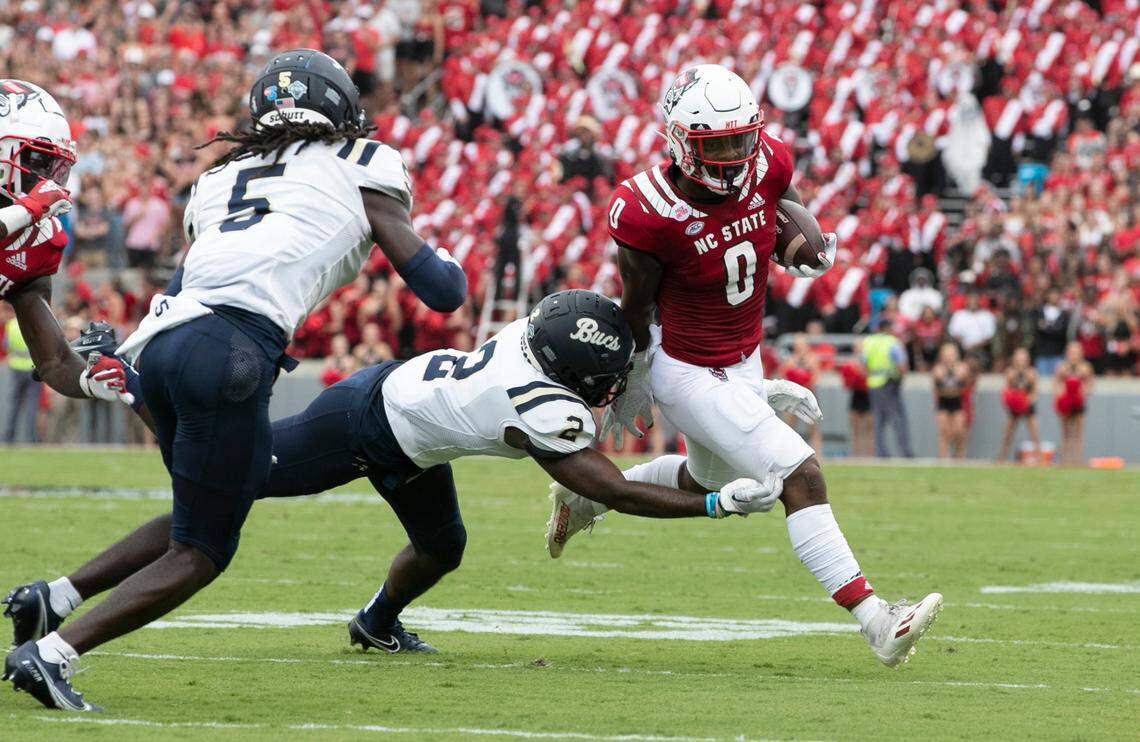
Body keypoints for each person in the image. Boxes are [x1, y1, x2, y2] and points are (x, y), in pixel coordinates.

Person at [2, 50, 470, 712]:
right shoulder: (364, 163)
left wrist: (137, 379)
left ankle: (55, 598)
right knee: (202, 549)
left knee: (218, 498)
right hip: (232, 349)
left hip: (166, 346)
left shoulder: (221, 176)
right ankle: (51, 655)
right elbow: (441, 291)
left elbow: (180, 291)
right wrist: (451, 256)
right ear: (339, 111)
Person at [4, 291, 777, 666]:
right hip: (367, 423)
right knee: (212, 498)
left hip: (412, 430)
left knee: (442, 545)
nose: (607, 393)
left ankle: (374, 624)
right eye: (599, 380)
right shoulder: (542, 403)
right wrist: (708, 502)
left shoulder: (531, 344)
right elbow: (606, 489)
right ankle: (128, 391)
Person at [550, 65, 941, 670]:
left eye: (741, 140)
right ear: (680, 141)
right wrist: (629, 376)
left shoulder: (769, 162)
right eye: (718, 145)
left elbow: (780, 208)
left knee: (706, 481)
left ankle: (586, 499)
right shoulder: (648, 209)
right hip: (685, 367)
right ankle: (876, 621)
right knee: (799, 473)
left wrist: (796, 243)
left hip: (743, 356)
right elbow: (636, 306)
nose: (735, 156)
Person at [0, 80, 136, 425]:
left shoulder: (35, 237)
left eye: (55, 167)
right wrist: (27, 209)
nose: (48, 178)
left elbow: (55, 360)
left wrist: (87, 380)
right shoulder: (28, 213)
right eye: (38, 160)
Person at [863, 318, 915, 458]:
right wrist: (901, 379)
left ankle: (881, 451)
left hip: (873, 382)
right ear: (889, 328)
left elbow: (863, 363)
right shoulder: (893, 342)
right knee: (897, 418)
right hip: (890, 382)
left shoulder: (869, 342)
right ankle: (905, 451)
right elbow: (902, 365)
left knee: (878, 419)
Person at [780, 334, 823, 455]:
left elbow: (817, 377)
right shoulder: (791, 359)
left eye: (801, 343)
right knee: (789, 427)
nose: (798, 346)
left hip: (808, 396)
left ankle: (818, 455)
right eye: (797, 344)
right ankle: (788, 454)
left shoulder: (812, 358)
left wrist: (806, 381)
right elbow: (784, 375)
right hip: (793, 397)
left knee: (813, 429)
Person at [997, 347, 1040, 463]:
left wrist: (1027, 400)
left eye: (1023, 358)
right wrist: (1012, 400)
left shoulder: (1032, 373)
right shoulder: (1010, 372)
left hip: (1028, 406)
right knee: (1007, 433)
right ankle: (1001, 457)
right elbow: (1005, 389)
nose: (1021, 360)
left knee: (1035, 433)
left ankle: (1039, 459)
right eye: (1018, 358)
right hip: (1014, 407)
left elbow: (1035, 392)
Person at [1054, 341, 1093, 466]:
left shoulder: (1085, 367)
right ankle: (1064, 459)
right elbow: (1056, 384)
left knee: (1078, 433)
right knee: (1065, 432)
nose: (1074, 356)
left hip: (1078, 403)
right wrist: (1061, 394)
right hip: (1066, 402)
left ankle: (1077, 459)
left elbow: (1090, 384)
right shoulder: (1062, 367)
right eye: (1071, 353)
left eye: (1076, 353)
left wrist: (1083, 391)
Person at [930, 342, 971, 459]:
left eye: (952, 354)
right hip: (943, 402)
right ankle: (943, 458)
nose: (949, 357)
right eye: (946, 355)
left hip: (957, 402)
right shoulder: (938, 369)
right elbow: (938, 388)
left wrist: (957, 376)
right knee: (944, 433)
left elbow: (965, 385)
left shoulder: (962, 368)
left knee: (959, 432)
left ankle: (959, 457)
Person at [838, 345, 871, 458]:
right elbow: (847, 384)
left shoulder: (869, 362)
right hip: (856, 395)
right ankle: (856, 454)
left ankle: (869, 455)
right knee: (855, 428)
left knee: (868, 428)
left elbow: (869, 379)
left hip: (867, 396)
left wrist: (862, 370)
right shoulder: (851, 364)